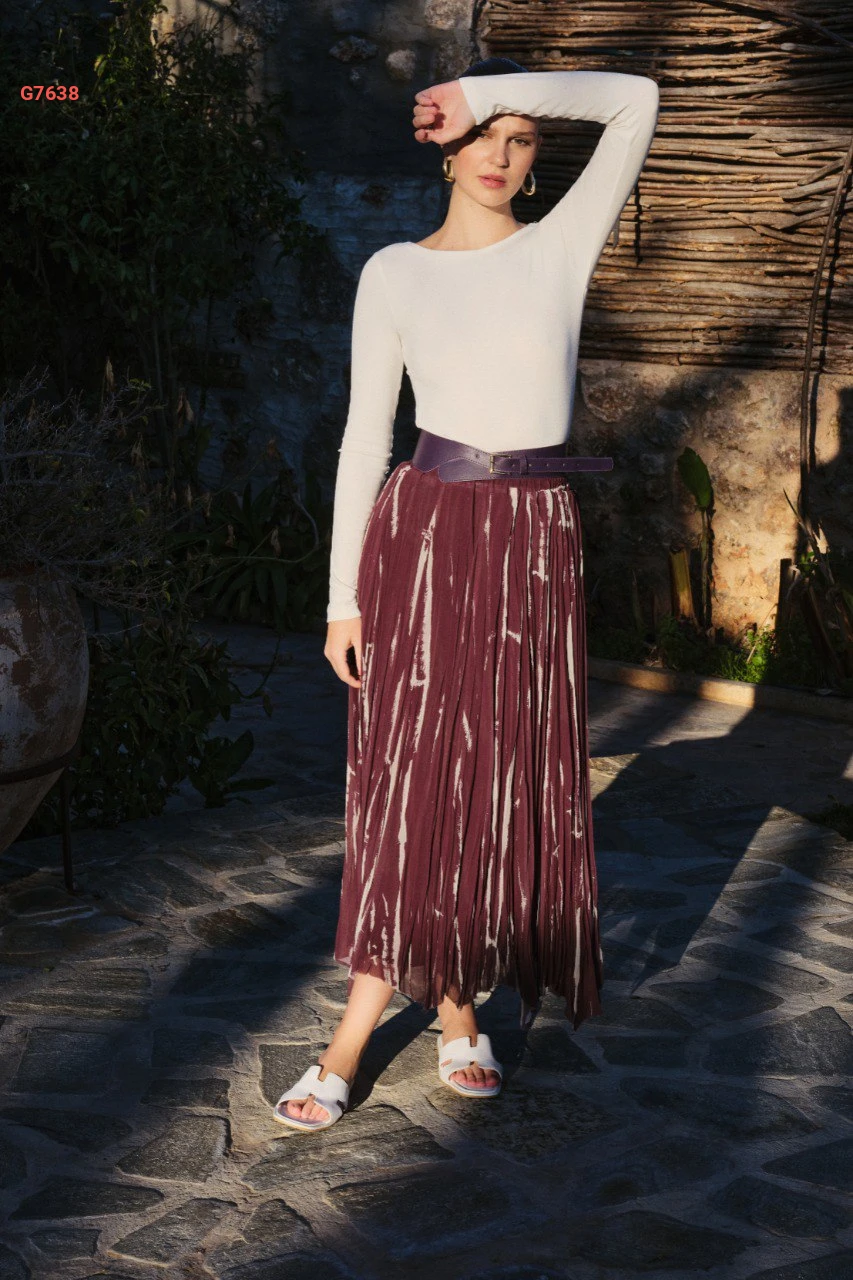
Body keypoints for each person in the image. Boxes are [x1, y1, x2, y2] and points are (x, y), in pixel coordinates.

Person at [273, 56, 659, 1130]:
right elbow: (364, 439)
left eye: (519, 138)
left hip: (533, 539)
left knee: (497, 775)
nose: (498, 153)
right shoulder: (393, 271)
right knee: (410, 776)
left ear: (536, 163)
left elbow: (634, 100)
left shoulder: (559, 246)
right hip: (425, 534)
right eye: (482, 135)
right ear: (442, 151)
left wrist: (481, 90)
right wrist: (340, 598)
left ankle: (455, 1003)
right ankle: (354, 1031)